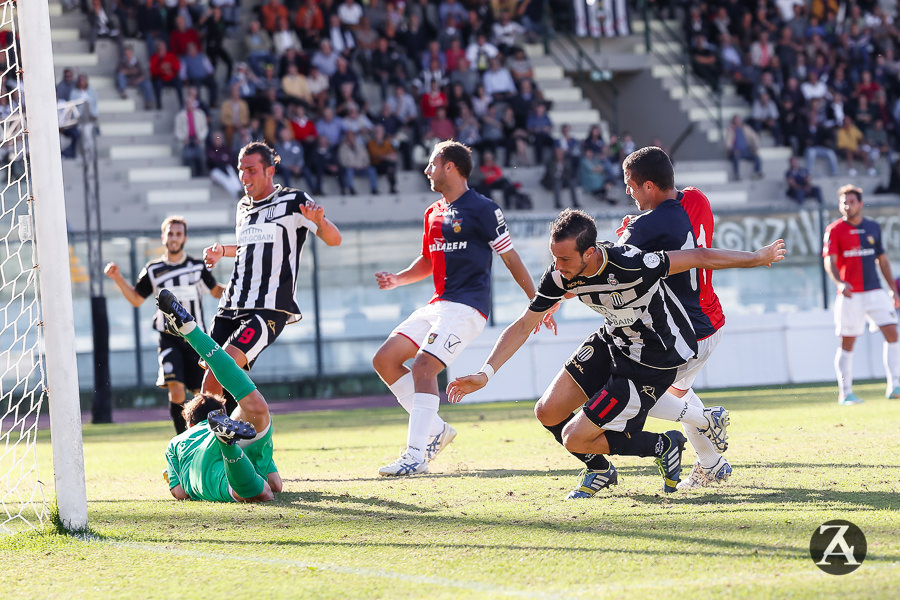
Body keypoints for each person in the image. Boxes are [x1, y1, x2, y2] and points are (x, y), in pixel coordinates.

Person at [447, 209, 785, 495]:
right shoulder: (561, 276)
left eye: (564, 258)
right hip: (614, 342)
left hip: (655, 359)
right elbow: (523, 325)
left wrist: (758, 257)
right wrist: (484, 373)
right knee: (547, 412)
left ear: (590, 252)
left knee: (573, 438)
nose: (557, 266)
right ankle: (601, 471)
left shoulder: (632, 263)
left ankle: (663, 445)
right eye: (554, 257)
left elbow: (700, 257)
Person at [372, 140, 554, 477]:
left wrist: (537, 302)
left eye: (432, 165)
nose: (427, 171)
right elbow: (428, 260)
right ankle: (436, 431)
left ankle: (415, 455)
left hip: (467, 308)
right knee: (384, 359)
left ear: (450, 166)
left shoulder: (483, 209)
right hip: (438, 304)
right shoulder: (432, 212)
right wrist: (398, 279)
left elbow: (510, 257)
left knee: (424, 367)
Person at [614, 147, 731, 492]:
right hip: (711, 319)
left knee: (638, 395)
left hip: (686, 330)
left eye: (630, 185)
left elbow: (625, 266)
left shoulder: (649, 227)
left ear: (649, 185)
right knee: (678, 394)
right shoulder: (697, 198)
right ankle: (712, 465)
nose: (628, 192)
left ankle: (709, 422)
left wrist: (632, 236)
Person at [202, 141, 342, 410]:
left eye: (252, 170)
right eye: (241, 170)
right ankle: (228, 440)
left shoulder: (294, 201)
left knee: (221, 367)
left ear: (270, 170)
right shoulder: (243, 206)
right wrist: (222, 251)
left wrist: (321, 221)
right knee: (213, 380)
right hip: (230, 305)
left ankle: (232, 434)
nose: (244, 177)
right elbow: (248, 247)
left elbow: (334, 239)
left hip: (268, 308)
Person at [158, 289, 282, 502]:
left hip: (201, 462)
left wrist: (169, 478)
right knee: (256, 406)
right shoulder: (217, 425)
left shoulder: (177, 442)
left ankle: (228, 445)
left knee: (257, 491)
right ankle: (191, 331)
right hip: (223, 442)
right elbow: (276, 484)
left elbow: (180, 493)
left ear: (190, 424)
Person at [104, 216, 223, 434]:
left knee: (202, 394)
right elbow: (137, 299)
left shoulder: (197, 267)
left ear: (185, 237)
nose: (174, 238)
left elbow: (216, 291)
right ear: (163, 237)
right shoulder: (153, 269)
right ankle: (182, 440)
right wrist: (118, 278)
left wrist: (241, 287)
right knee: (176, 390)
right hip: (169, 337)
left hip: (196, 338)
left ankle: (204, 438)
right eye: (170, 233)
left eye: (178, 234)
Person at [822, 184, 900, 405]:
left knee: (892, 333)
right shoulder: (834, 230)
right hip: (850, 294)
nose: (847, 205)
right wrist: (840, 282)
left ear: (860, 204)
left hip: (875, 290)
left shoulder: (873, 227)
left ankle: (894, 386)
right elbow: (829, 261)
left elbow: (882, 261)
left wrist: (893, 290)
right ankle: (845, 393)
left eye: (851, 202)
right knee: (847, 342)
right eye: (843, 202)